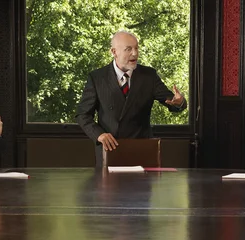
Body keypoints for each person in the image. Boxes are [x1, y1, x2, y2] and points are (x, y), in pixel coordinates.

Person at [76, 30, 187, 165]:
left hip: (141, 150)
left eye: (136, 48)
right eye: (128, 49)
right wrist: (99, 135)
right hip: (110, 149)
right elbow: (82, 115)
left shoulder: (149, 76)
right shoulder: (97, 78)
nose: (134, 53)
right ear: (114, 52)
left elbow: (172, 101)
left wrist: (179, 102)